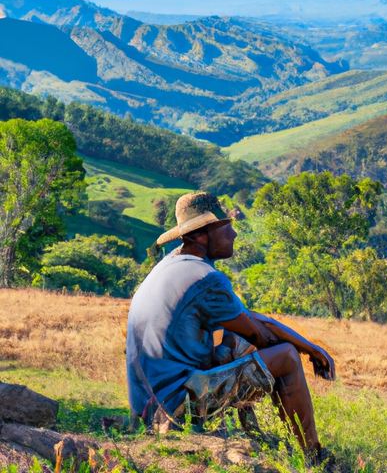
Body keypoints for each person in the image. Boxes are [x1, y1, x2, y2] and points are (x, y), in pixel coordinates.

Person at [126, 192, 335, 455]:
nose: (233, 235)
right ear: (204, 233)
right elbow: (261, 335)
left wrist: (311, 347)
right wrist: (305, 350)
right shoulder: (207, 278)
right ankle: (314, 454)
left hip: (147, 407)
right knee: (287, 357)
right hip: (176, 407)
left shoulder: (171, 266)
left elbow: (250, 320)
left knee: (236, 341)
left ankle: (253, 434)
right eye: (227, 228)